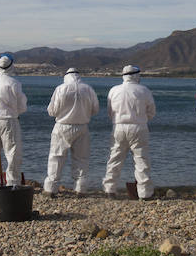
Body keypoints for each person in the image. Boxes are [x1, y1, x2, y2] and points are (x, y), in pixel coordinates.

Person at [102, 65, 156, 200]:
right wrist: (141, 120)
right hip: (139, 127)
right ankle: (144, 193)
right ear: (137, 75)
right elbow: (151, 111)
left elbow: (110, 111)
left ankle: (110, 190)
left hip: (118, 127)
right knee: (141, 160)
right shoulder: (144, 90)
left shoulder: (114, 90)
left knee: (114, 158)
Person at [43, 67, 100, 198]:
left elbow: (52, 111)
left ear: (66, 76)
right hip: (82, 126)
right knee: (81, 158)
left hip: (62, 126)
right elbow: (95, 109)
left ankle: (51, 188)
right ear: (79, 76)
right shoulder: (88, 89)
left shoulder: (61, 89)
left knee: (56, 157)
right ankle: (81, 188)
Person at [0, 54, 27, 187]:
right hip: (8, 120)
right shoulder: (13, 83)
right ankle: (12, 182)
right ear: (11, 66)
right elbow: (21, 105)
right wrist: (17, 112)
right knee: (12, 153)